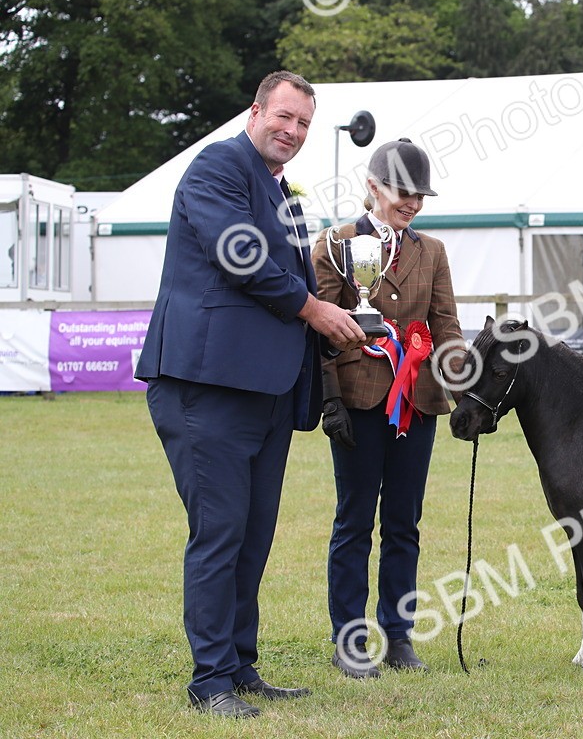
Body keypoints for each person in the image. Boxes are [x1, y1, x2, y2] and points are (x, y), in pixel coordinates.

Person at [136, 71, 367, 718]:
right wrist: (313, 310)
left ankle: (239, 664)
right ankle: (209, 679)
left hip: (265, 392)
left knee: (252, 535)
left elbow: (288, 276)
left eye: (303, 124)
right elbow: (238, 256)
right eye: (284, 117)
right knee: (220, 532)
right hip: (206, 387)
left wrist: (340, 321)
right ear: (256, 111)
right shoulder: (218, 166)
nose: (291, 131)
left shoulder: (279, 193)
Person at [312, 138, 463, 678]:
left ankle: (398, 637)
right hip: (357, 400)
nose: (413, 204)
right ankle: (349, 641)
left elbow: (444, 324)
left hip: (416, 403)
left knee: (404, 523)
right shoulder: (334, 244)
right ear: (372, 187)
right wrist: (331, 399)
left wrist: (464, 380)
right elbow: (323, 328)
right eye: (404, 193)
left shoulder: (433, 252)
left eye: (420, 196)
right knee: (354, 522)